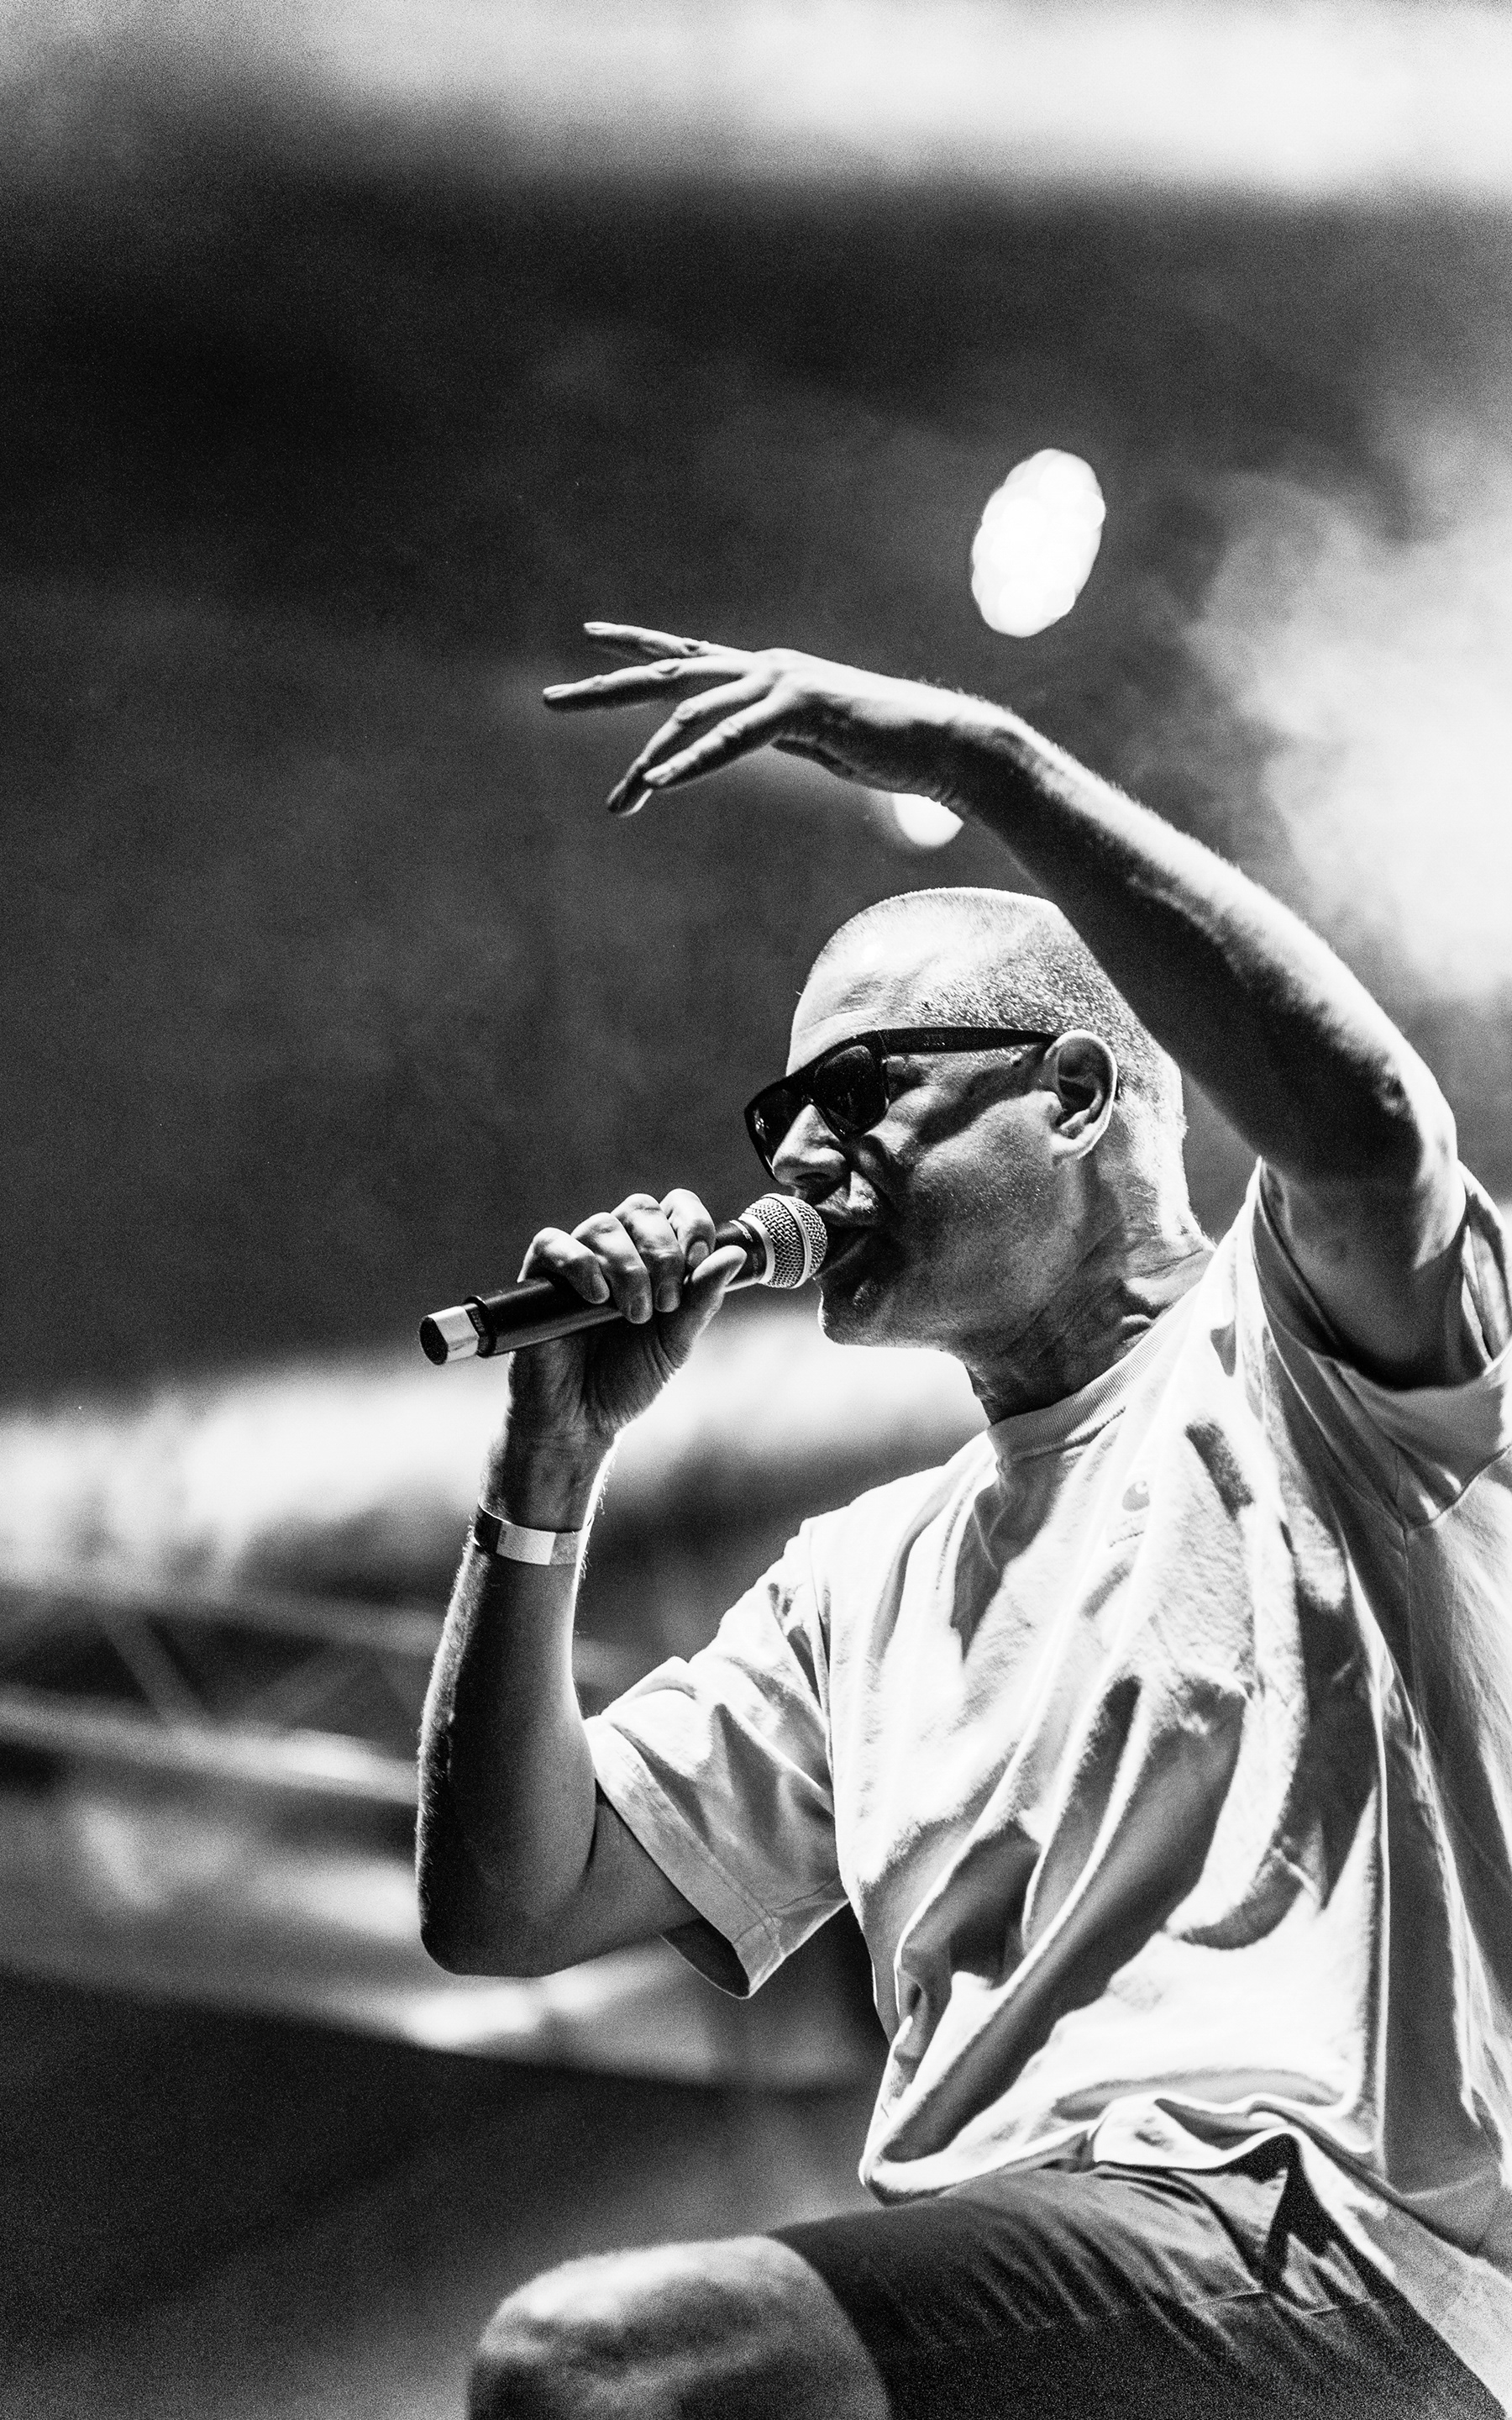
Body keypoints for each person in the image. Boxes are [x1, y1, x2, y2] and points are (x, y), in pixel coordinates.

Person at [417, 627, 1512, 2418]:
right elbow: (508, 1903)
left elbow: (1374, 1128)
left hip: (1336, 2266)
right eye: (778, 1116)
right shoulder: (862, 1580)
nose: (794, 1160)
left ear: (1073, 1094)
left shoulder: (1308, 1356)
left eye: (857, 1094)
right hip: (1064, 2306)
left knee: (598, 2371)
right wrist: (549, 1467)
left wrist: (983, 760)